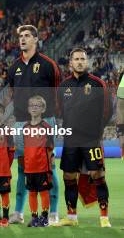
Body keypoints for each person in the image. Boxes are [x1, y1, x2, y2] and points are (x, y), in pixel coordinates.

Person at [7, 25, 61, 225]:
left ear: (36, 39)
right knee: (22, 168)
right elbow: (13, 95)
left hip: (45, 122)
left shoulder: (49, 65)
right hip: (21, 123)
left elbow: (56, 93)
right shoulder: (13, 67)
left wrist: (52, 119)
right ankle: (18, 212)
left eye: (27, 36)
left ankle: (53, 212)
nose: (22, 39)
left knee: (49, 166)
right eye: (20, 36)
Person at [57, 48, 112, 227]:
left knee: (98, 174)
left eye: (82, 59)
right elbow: (59, 111)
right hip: (71, 140)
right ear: (70, 63)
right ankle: (71, 217)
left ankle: (104, 217)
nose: (79, 62)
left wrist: (96, 131)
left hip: (91, 139)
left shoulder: (97, 84)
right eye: (76, 59)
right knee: (69, 176)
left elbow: (107, 110)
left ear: (87, 62)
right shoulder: (64, 86)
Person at [23, 95, 54, 228]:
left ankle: (45, 218)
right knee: (31, 192)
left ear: (43, 109)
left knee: (44, 192)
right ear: (28, 109)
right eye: (32, 105)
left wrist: (49, 164)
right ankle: (34, 218)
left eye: (37, 105)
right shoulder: (25, 127)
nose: (34, 108)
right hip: (29, 168)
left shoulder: (46, 127)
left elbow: (51, 147)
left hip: (43, 167)